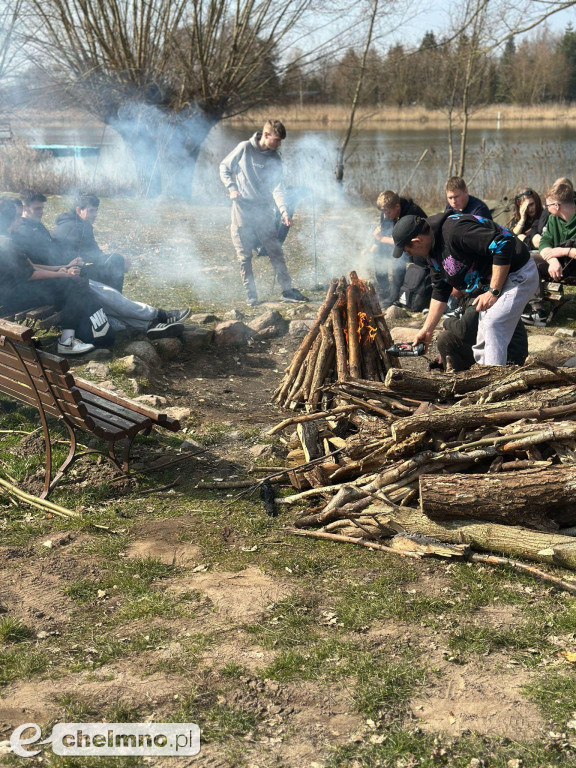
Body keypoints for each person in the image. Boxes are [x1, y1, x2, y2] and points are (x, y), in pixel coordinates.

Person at [12, 191, 190, 339]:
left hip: (58, 276)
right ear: (23, 209)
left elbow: (40, 262)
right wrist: (63, 272)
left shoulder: (37, 226)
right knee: (101, 291)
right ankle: (158, 315)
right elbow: (29, 270)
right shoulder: (18, 233)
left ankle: (149, 325)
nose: (41, 212)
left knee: (103, 291)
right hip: (46, 286)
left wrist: (64, 267)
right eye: (37, 209)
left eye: (42, 208)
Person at [392, 212, 539, 366]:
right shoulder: (431, 252)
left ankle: (496, 381)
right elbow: (440, 290)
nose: (408, 254)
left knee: (493, 324)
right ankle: (486, 374)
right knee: (482, 339)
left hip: (517, 273)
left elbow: (502, 244)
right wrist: (427, 330)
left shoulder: (456, 231)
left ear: (417, 240)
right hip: (492, 282)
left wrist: (493, 291)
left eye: (407, 250)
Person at [0, 197, 113, 355]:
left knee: (67, 280)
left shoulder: (7, 239)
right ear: (11, 219)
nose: (20, 220)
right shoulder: (6, 244)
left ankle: (85, 326)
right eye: (17, 217)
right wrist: (63, 275)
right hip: (12, 297)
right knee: (71, 285)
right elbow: (30, 274)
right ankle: (67, 341)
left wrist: (62, 268)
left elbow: (31, 266)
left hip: (12, 292)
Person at [219, 119, 308, 306]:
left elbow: (277, 187)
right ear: (266, 135)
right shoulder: (244, 148)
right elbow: (224, 167)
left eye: (281, 141)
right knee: (244, 255)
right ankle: (251, 294)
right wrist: (232, 188)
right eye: (277, 140)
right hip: (242, 211)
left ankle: (287, 291)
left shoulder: (275, 158)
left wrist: (284, 211)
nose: (279, 144)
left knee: (276, 251)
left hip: (264, 213)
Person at [52, 193, 129, 292]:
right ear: (79, 210)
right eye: (91, 211)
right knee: (116, 261)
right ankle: (114, 302)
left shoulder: (77, 223)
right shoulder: (76, 228)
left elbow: (93, 252)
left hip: (71, 271)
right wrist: (121, 261)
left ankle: (112, 299)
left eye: (96, 211)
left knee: (115, 259)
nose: (94, 215)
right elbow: (92, 256)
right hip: (67, 278)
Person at [370, 190, 429, 309]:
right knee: (377, 253)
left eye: (388, 212)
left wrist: (380, 238)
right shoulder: (387, 212)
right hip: (402, 245)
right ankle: (384, 289)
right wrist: (374, 245)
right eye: (383, 213)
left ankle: (394, 296)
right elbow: (384, 231)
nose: (385, 216)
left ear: (397, 206)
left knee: (399, 258)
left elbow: (403, 242)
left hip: (419, 249)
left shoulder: (411, 213)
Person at [437, 297, 528, 372]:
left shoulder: (478, 297)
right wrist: (445, 353)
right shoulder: (471, 296)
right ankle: (453, 374)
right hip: (500, 350)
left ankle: (456, 382)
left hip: (508, 357)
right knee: (448, 339)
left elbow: (463, 331)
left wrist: (446, 322)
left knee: (445, 338)